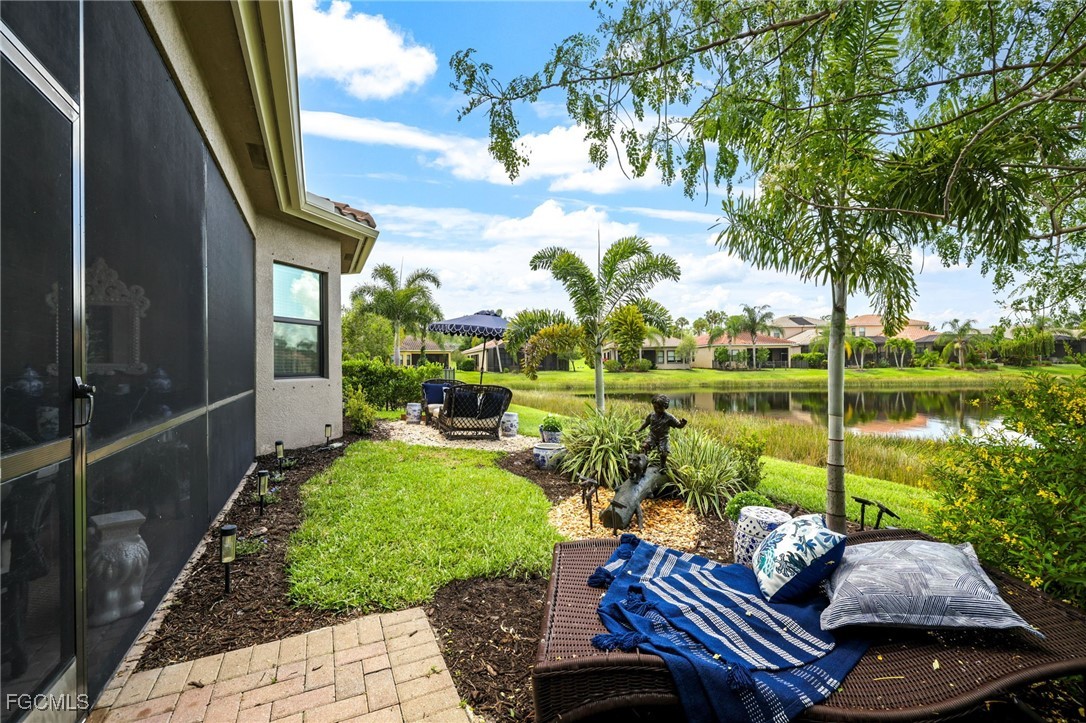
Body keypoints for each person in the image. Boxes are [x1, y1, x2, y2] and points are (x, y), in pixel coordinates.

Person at [637, 394, 687, 468]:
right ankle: (643, 463)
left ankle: (662, 466)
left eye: (660, 408)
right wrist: (638, 430)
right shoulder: (652, 415)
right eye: (655, 407)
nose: (657, 410)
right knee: (644, 446)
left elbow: (678, 425)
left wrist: (682, 424)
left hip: (663, 437)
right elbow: (646, 423)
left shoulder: (669, 417)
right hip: (652, 435)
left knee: (664, 453)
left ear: (665, 407)